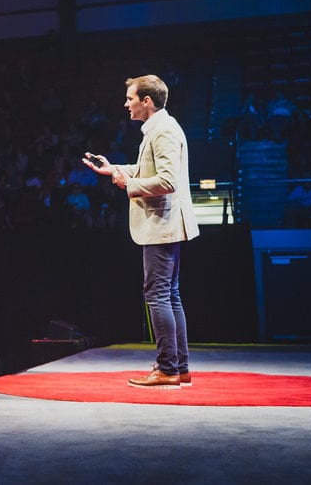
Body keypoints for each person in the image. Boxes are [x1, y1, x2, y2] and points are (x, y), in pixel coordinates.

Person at [82, 74, 200, 389]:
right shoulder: (162, 127)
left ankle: (167, 367)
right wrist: (118, 170)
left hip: (162, 224)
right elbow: (152, 171)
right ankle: (178, 365)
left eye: (131, 98)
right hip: (167, 223)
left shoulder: (162, 130)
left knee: (159, 294)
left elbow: (167, 181)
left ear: (146, 101)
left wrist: (129, 185)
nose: (126, 104)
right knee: (170, 295)